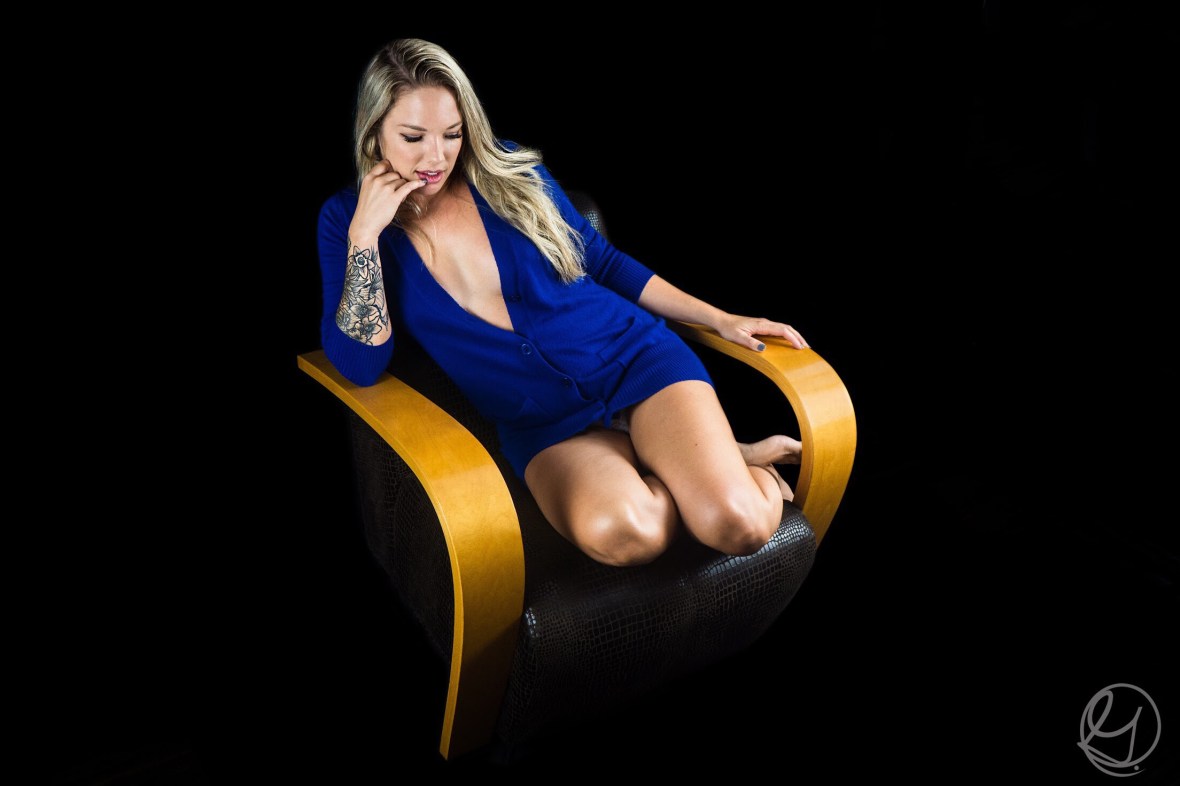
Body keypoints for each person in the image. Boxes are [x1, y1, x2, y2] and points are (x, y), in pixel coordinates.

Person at [318, 38, 810, 568]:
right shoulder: (346, 221)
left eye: (452, 134)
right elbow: (360, 365)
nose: (436, 157)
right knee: (628, 533)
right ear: (374, 132)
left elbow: (603, 261)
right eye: (413, 137)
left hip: (633, 363)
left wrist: (719, 318)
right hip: (543, 425)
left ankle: (735, 473)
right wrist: (364, 237)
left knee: (739, 523)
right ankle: (705, 461)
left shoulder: (508, 172)